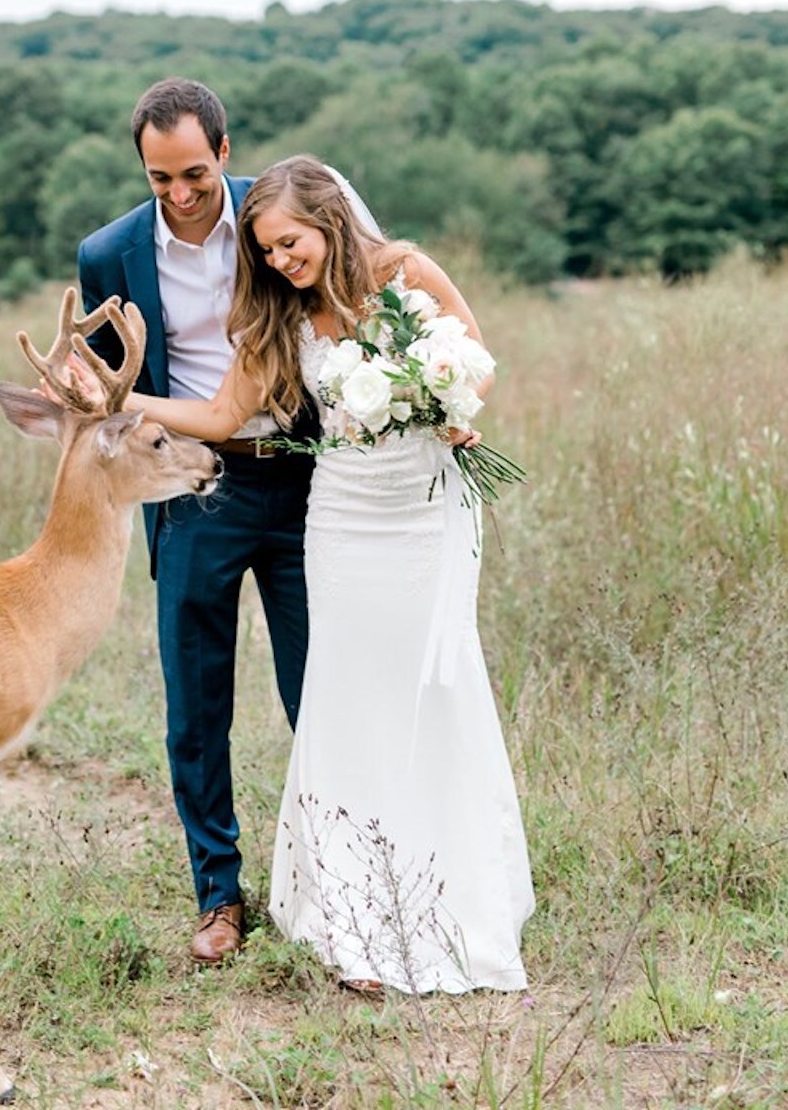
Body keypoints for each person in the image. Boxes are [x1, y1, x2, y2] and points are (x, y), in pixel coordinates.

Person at [117, 154, 534, 995]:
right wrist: (119, 401)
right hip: (341, 515)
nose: (279, 262)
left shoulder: (405, 270)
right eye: (267, 251)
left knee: (432, 681)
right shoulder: (285, 314)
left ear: (330, 220)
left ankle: (448, 880)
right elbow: (222, 414)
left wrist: (443, 401)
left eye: (290, 244)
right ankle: (351, 903)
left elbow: (477, 357)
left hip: (423, 508)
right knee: (344, 692)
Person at [77, 79, 315, 965]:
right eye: (157, 179)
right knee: (195, 709)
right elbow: (110, 396)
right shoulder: (107, 254)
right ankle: (220, 897)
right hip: (188, 499)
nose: (178, 195)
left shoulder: (276, 213)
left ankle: (328, 883)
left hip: (299, 480)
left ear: (223, 150)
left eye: (192, 174)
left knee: (317, 694)